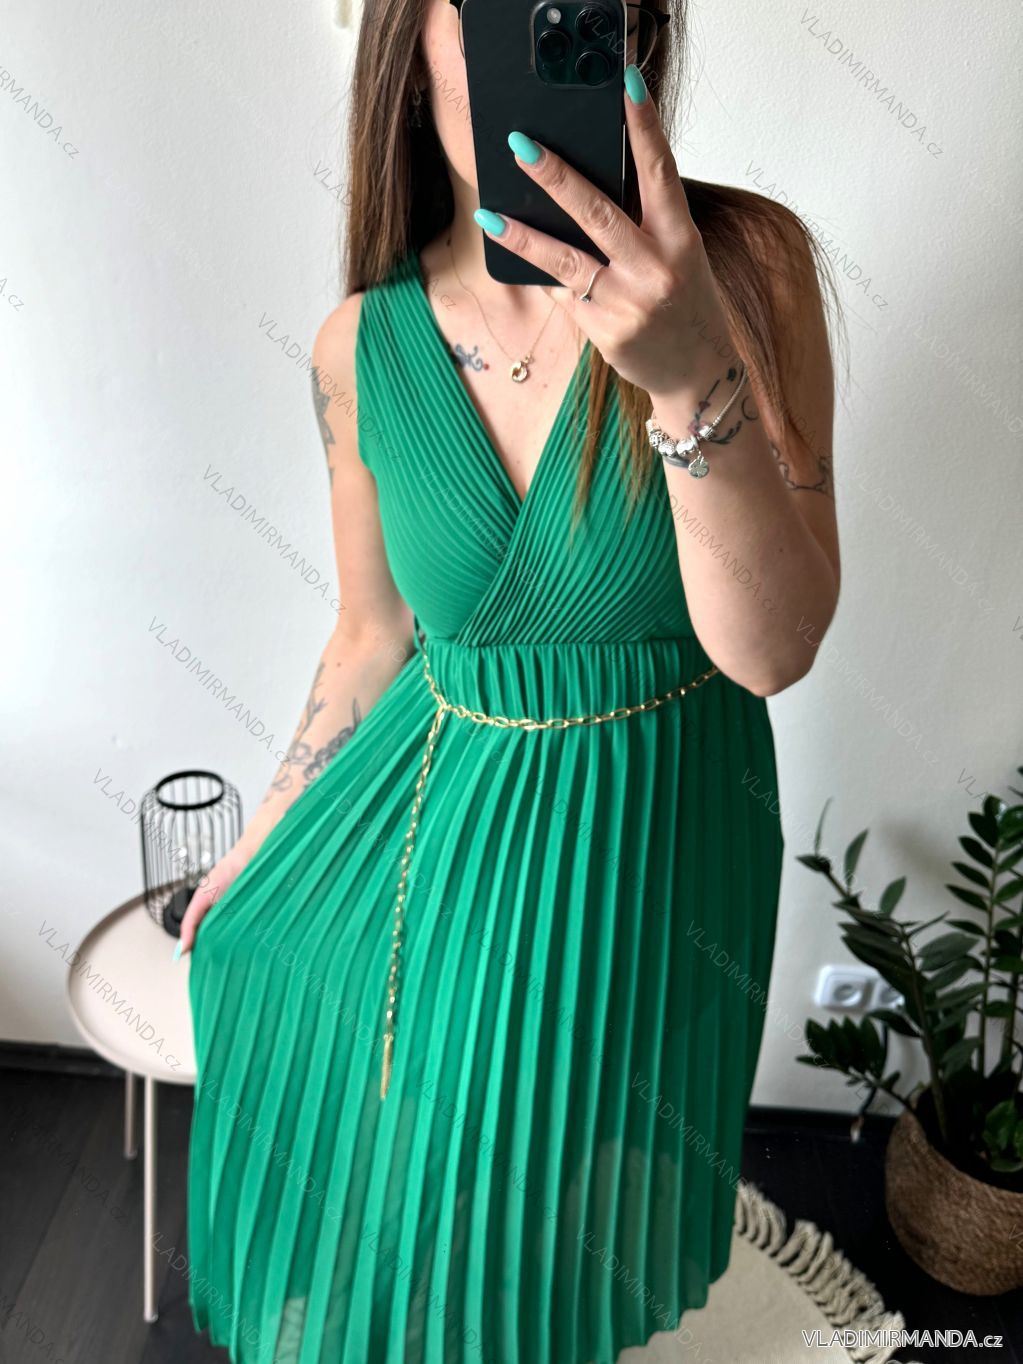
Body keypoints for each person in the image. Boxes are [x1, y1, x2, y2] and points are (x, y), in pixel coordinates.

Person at [178, 0, 841, 1359]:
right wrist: (268, 831)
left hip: (659, 835)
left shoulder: (749, 269)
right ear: (407, 42)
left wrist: (686, 379)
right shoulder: (361, 344)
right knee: (438, 1179)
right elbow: (370, 634)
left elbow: (773, 649)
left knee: (571, 1196)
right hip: (440, 819)